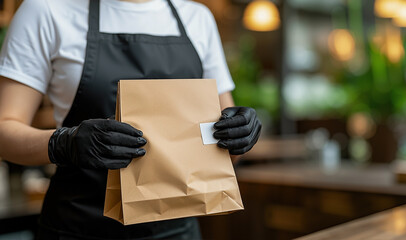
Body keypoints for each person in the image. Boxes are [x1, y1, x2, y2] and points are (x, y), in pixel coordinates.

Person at [0, 0, 262, 239]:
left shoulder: (198, 18)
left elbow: (227, 151)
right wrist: (64, 143)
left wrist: (239, 134)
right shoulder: (47, 11)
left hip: (178, 231)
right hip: (78, 228)